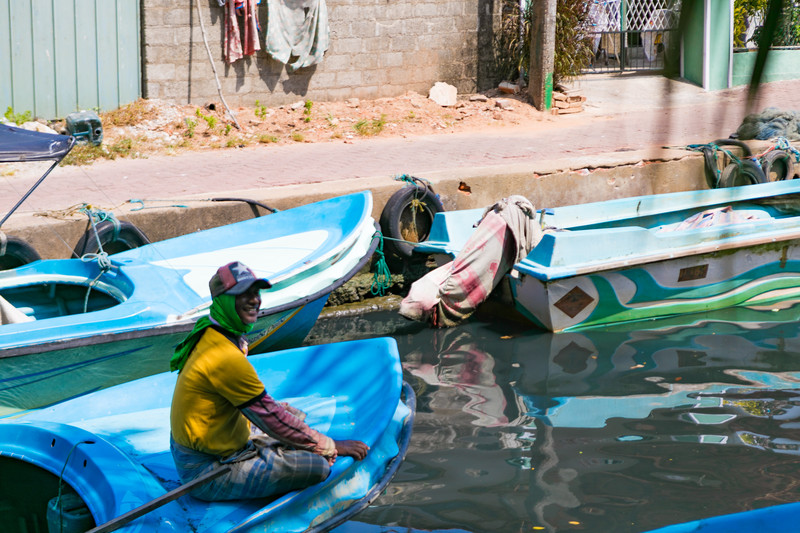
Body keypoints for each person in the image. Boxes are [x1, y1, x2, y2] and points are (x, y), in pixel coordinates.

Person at [169, 261, 368, 501]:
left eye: (256, 293)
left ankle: (280, 447)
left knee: (293, 414)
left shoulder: (214, 331)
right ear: (223, 300)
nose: (254, 300)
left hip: (209, 442)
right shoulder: (223, 356)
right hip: (205, 471)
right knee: (317, 465)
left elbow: (269, 413)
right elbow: (272, 419)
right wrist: (330, 446)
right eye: (243, 294)